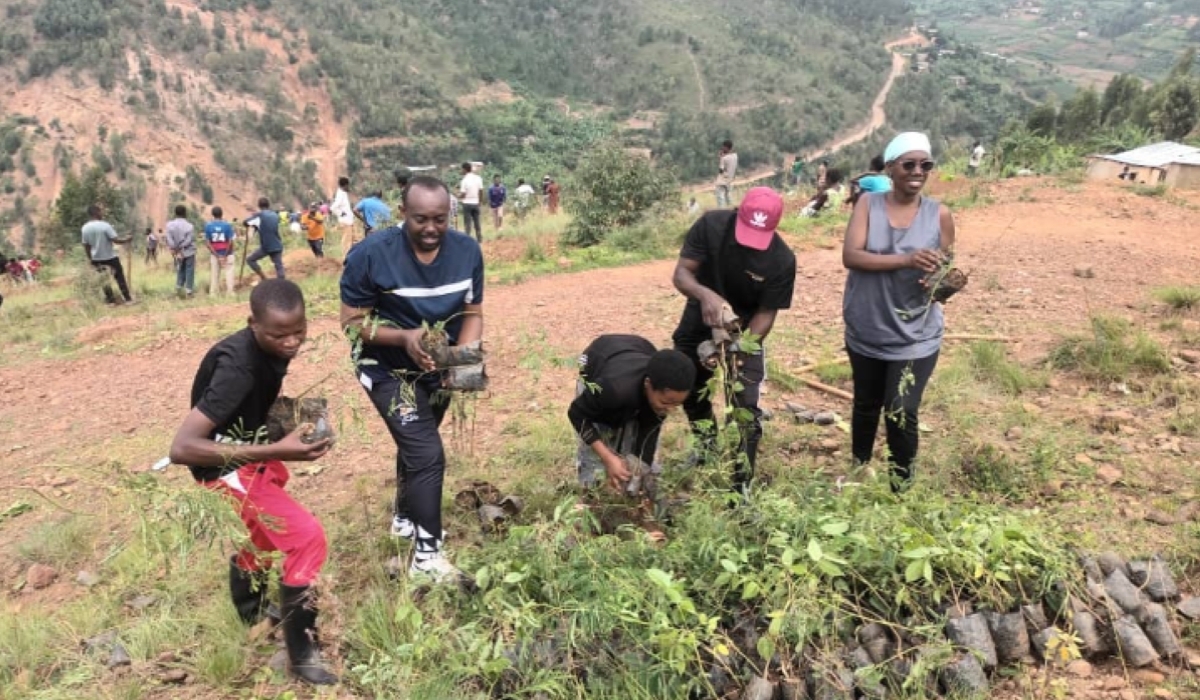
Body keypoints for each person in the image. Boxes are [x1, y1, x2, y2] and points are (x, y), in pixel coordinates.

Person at [168, 279, 337, 685]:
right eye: (280, 334)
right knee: (306, 537)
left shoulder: (264, 346)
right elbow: (183, 447)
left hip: (246, 449)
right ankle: (302, 651)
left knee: (263, 534)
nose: (292, 342)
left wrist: (283, 423)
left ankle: (252, 611)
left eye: (299, 331)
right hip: (224, 467)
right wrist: (280, 449)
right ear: (253, 324)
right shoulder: (237, 371)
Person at [339, 176, 484, 584]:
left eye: (439, 218)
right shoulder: (370, 255)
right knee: (427, 454)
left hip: (437, 368)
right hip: (385, 368)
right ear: (403, 214)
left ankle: (404, 517)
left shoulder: (468, 252)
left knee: (416, 442)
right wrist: (403, 338)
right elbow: (352, 324)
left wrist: (461, 361)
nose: (431, 228)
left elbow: (473, 312)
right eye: (421, 219)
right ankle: (426, 558)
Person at [842, 132, 956, 491]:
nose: (917, 171)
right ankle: (859, 468)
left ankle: (901, 488)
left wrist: (946, 283)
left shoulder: (940, 215)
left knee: (902, 410)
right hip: (868, 326)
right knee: (866, 403)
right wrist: (906, 259)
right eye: (909, 164)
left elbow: (943, 274)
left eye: (926, 164)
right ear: (891, 168)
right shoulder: (868, 205)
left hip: (915, 334)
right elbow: (852, 256)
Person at [671, 186, 796, 492]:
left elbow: (766, 314)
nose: (750, 246)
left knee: (745, 406)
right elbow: (682, 273)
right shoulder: (711, 226)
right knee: (691, 386)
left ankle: (741, 483)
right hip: (701, 315)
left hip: (747, 328)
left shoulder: (782, 261)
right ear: (737, 212)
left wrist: (739, 348)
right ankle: (706, 447)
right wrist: (705, 294)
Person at [568, 335, 695, 491]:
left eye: (677, 404)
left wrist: (642, 469)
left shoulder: (665, 390)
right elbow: (576, 414)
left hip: (637, 349)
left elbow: (648, 435)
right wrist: (607, 457)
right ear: (648, 384)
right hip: (598, 360)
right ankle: (590, 493)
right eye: (666, 403)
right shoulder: (613, 389)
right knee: (595, 453)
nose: (670, 409)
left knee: (632, 452)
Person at [81, 204, 133, 305]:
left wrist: (90, 259)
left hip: (96, 258)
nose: (102, 214)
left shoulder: (85, 228)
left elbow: (86, 246)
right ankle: (127, 299)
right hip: (110, 257)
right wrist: (127, 239)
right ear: (96, 213)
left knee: (104, 279)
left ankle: (111, 301)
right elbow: (116, 240)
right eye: (100, 211)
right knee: (119, 277)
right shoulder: (105, 225)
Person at [245, 198, 285, 281]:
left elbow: (245, 222)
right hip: (277, 244)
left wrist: (254, 216)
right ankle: (282, 283)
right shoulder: (275, 215)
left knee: (250, 260)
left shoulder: (259, 216)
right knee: (279, 266)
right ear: (268, 205)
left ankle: (264, 278)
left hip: (266, 246)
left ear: (259, 206)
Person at [204, 206, 236, 296]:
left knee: (214, 274)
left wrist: (217, 256)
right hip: (228, 253)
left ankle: (213, 293)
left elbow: (207, 243)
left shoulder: (208, 226)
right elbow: (230, 241)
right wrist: (225, 255)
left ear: (213, 215)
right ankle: (230, 292)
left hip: (215, 254)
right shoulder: (227, 225)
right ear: (222, 214)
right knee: (229, 272)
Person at [167, 205, 198, 298]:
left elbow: (169, 239)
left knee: (180, 269)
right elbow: (189, 240)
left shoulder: (169, 225)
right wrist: (181, 247)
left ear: (175, 213)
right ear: (185, 213)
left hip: (176, 252)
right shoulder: (190, 226)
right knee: (189, 270)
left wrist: (175, 248)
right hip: (189, 251)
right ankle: (189, 291)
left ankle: (179, 289)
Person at [458, 162, 484, 242]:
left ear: (465, 169)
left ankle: (467, 238)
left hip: (467, 203)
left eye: (461, 169)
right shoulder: (478, 178)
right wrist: (480, 201)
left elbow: (463, 194)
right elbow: (481, 191)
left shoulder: (464, 180)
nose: (461, 171)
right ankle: (479, 237)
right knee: (477, 221)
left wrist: (457, 195)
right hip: (476, 202)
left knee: (467, 222)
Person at [331, 177, 356, 259]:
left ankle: (351, 256)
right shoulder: (341, 194)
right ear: (345, 185)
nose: (349, 187)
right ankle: (346, 258)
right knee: (346, 241)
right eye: (348, 185)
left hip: (349, 221)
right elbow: (333, 207)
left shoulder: (343, 193)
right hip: (346, 221)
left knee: (352, 240)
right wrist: (341, 213)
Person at [715, 140, 738, 208]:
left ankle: (721, 211)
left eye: (723, 147)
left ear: (726, 147)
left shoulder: (724, 158)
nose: (722, 149)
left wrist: (720, 158)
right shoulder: (735, 156)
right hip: (730, 179)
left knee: (720, 197)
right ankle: (730, 209)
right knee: (728, 197)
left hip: (722, 180)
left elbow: (721, 171)